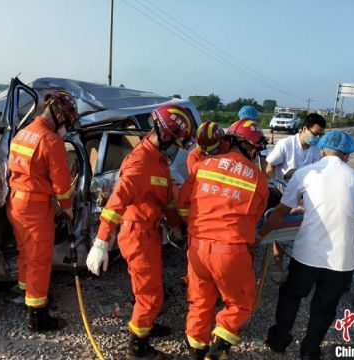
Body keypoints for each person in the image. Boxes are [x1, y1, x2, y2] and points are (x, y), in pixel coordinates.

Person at [86, 104, 195, 359]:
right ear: (166, 135)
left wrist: (176, 227)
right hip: (137, 235)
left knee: (147, 286)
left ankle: (145, 324)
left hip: (148, 232)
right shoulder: (140, 164)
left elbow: (166, 199)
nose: (175, 149)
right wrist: (101, 242)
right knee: (151, 292)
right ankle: (138, 347)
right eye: (175, 143)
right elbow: (115, 204)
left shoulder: (156, 160)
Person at [257, 130, 354, 360]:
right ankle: (310, 350)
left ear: (322, 149)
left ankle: (279, 340)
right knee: (325, 307)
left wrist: (261, 235)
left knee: (291, 295)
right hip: (342, 258)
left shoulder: (306, 172)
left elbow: (282, 211)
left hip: (308, 254)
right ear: (347, 154)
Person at [179, 119, 269, 360]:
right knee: (239, 304)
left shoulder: (204, 164)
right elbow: (255, 218)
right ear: (248, 147)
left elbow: (183, 203)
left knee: (199, 302)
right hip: (230, 251)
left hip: (196, 248)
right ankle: (217, 352)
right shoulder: (259, 179)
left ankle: (196, 352)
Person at [6, 90, 78, 332]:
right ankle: (37, 316)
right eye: (67, 121)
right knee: (39, 259)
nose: (66, 126)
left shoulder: (22, 133)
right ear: (58, 113)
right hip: (35, 206)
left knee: (26, 252)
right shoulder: (50, 140)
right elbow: (62, 185)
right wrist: (67, 209)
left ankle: (27, 292)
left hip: (15, 201)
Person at [265, 113, 327, 283]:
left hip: (304, 197)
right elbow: (270, 165)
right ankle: (278, 265)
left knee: (300, 233)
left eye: (321, 135)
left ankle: (298, 265)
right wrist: (271, 183)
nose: (318, 138)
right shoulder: (286, 144)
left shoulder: (315, 150)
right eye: (316, 134)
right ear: (305, 129)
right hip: (281, 193)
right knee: (281, 232)